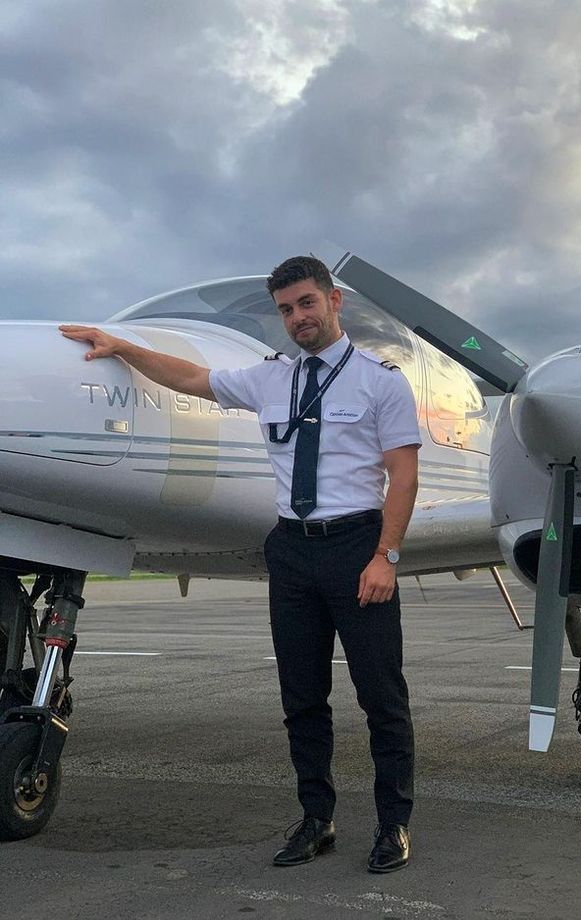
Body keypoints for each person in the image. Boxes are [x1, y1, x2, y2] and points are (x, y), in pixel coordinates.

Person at [59, 255, 420, 873]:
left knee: (381, 698)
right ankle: (316, 819)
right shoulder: (269, 379)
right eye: (285, 309)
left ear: (333, 302)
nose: (297, 318)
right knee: (301, 697)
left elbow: (403, 473)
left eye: (306, 303)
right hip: (292, 548)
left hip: (356, 545)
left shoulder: (380, 382)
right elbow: (193, 379)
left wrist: (385, 556)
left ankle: (393, 826)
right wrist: (121, 346)